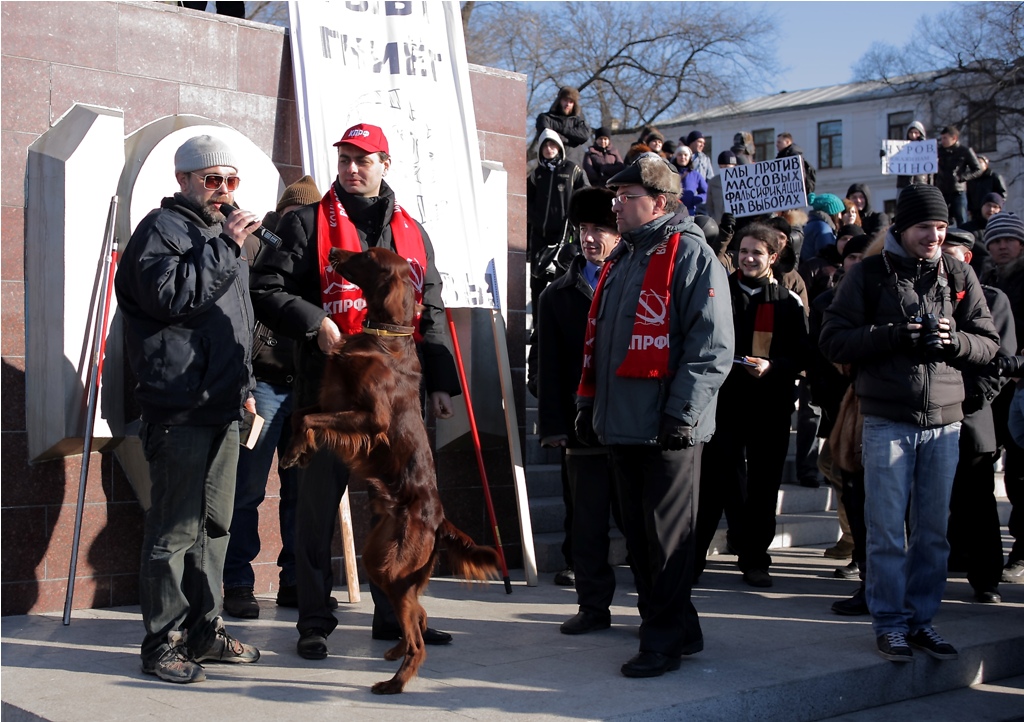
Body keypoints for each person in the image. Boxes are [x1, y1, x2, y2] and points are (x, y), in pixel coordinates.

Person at [249, 123, 462, 660]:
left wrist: (442, 384)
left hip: (397, 399)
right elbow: (265, 286)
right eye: (344, 159)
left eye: (363, 160)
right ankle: (315, 621)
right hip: (329, 394)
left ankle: (395, 617)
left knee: (400, 511)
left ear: (385, 164)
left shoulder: (412, 232)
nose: (351, 168)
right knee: (316, 512)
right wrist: (314, 319)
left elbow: (429, 311)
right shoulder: (303, 223)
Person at [820, 184, 999, 663]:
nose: (935, 235)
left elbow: (989, 345)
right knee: (884, 531)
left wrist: (955, 340)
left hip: (945, 422)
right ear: (903, 228)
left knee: (933, 531)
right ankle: (891, 624)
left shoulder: (960, 273)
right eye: (926, 226)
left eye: (941, 227)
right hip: (886, 421)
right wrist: (892, 335)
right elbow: (834, 340)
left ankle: (922, 621)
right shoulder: (869, 275)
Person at [576, 153, 734, 677]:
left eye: (627, 199)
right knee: (639, 537)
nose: (616, 206)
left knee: (665, 543)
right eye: (615, 198)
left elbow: (711, 348)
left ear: (659, 203)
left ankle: (661, 640)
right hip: (621, 422)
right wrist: (587, 405)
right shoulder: (624, 258)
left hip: (667, 428)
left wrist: (681, 414)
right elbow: (602, 342)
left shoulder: (690, 256)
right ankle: (679, 628)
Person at [115, 134, 262, 683]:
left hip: (222, 405)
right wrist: (225, 246)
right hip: (178, 407)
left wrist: (244, 384)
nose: (223, 192)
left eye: (231, 181)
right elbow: (172, 297)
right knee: (175, 529)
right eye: (212, 180)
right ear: (183, 181)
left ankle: (205, 629)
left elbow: (236, 322)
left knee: (216, 525)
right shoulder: (160, 231)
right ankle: (163, 642)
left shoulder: (219, 239)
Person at [222, 175, 322, 619]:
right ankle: (238, 582)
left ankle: (295, 582)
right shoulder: (256, 245)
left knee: (302, 493)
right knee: (246, 490)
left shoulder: (320, 254)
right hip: (262, 384)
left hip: (306, 390)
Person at [695, 223, 809, 587]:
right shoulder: (718, 292)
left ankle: (755, 558)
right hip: (723, 406)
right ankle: (693, 558)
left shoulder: (786, 302)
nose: (747, 258)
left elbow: (801, 355)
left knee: (763, 486)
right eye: (743, 251)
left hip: (769, 408)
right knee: (712, 485)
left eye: (756, 253)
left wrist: (774, 367)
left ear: (772, 258)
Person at [537, 187, 629, 634]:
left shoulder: (638, 280)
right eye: (583, 230)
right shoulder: (558, 294)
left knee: (639, 524)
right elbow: (547, 368)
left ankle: (655, 609)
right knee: (587, 525)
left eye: (600, 230)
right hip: (582, 428)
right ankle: (593, 607)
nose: (590, 239)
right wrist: (554, 424)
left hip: (632, 424)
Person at [941, 228, 1015, 604]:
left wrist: (965, 400)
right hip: (930, 419)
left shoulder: (993, 299)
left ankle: (986, 578)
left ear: (966, 259)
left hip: (971, 417)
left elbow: (998, 363)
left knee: (979, 502)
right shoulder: (924, 297)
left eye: (950, 252)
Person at [981, 212, 1024, 585]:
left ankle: (1021, 552)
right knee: (1011, 477)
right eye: (995, 242)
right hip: (996, 390)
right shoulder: (987, 282)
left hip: (1021, 385)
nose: (1002, 246)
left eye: (1009, 240)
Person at [527, 128, 587, 320]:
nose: (549, 149)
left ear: (559, 148)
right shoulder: (536, 175)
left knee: (561, 281)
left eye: (553, 145)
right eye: (545, 146)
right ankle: (537, 326)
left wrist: (574, 220)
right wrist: (534, 218)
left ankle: (559, 323)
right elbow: (526, 200)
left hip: (564, 237)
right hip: (540, 236)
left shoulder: (573, 170)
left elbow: (585, 194)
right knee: (537, 282)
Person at [935, 125, 983, 227]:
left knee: (962, 219)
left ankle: (963, 241)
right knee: (940, 219)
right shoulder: (938, 151)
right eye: (941, 138)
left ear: (954, 138)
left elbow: (978, 169)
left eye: (945, 138)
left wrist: (962, 177)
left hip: (958, 191)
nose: (942, 141)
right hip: (942, 191)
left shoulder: (965, 151)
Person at [534, 86, 591, 164]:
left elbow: (584, 136)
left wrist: (561, 130)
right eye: (565, 100)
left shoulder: (578, 121)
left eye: (571, 102)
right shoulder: (545, 118)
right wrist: (574, 141)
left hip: (573, 164)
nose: (567, 104)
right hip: (550, 164)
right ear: (559, 101)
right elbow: (547, 137)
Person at [801, 193, 844, 264]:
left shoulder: (814, 224)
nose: (841, 216)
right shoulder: (823, 228)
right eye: (839, 212)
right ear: (833, 213)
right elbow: (827, 257)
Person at [896, 121, 933, 194]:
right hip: (904, 185)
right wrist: (884, 156)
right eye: (911, 132)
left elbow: (931, 171)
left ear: (921, 134)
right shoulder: (901, 149)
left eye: (916, 133)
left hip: (921, 184)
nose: (913, 135)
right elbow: (891, 163)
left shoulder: (928, 150)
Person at [967, 155, 1007, 222]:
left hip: (991, 211)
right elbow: (968, 195)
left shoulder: (994, 177)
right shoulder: (970, 179)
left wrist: (996, 205)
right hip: (976, 213)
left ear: (986, 164)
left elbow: (1002, 194)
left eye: (980, 162)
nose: (977, 164)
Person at [672, 145, 708, 216]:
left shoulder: (696, 175)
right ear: (676, 157)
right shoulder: (670, 173)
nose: (683, 157)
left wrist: (695, 199)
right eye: (680, 155)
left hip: (690, 212)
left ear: (690, 158)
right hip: (672, 212)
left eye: (685, 155)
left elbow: (706, 192)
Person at [705, 150, 736, 223]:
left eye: (727, 167)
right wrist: (714, 218)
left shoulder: (741, 182)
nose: (724, 170)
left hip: (736, 223)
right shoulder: (713, 182)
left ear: (734, 166)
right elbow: (709, 204)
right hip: (719, 222)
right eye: (722, 167)